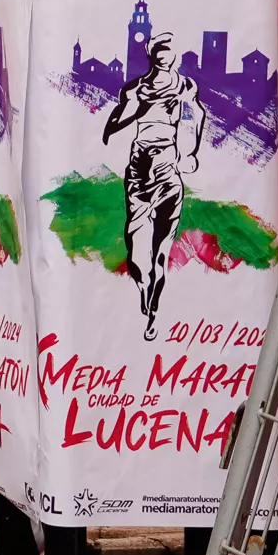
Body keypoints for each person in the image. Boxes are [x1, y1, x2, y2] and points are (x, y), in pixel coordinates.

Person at [101, 31, 205, 341]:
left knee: (161, 250)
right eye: (159, 48)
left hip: (168, 168)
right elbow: (115, 123)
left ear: (176, 54)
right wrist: (134, 114)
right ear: (151, 52)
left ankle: (154, 309)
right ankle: (143, 288)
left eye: (169, 49)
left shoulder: (185, 86)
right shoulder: (136, 89)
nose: (164, 53)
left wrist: (190, 152)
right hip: (139, 169)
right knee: (135, 251)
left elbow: (197, 115)